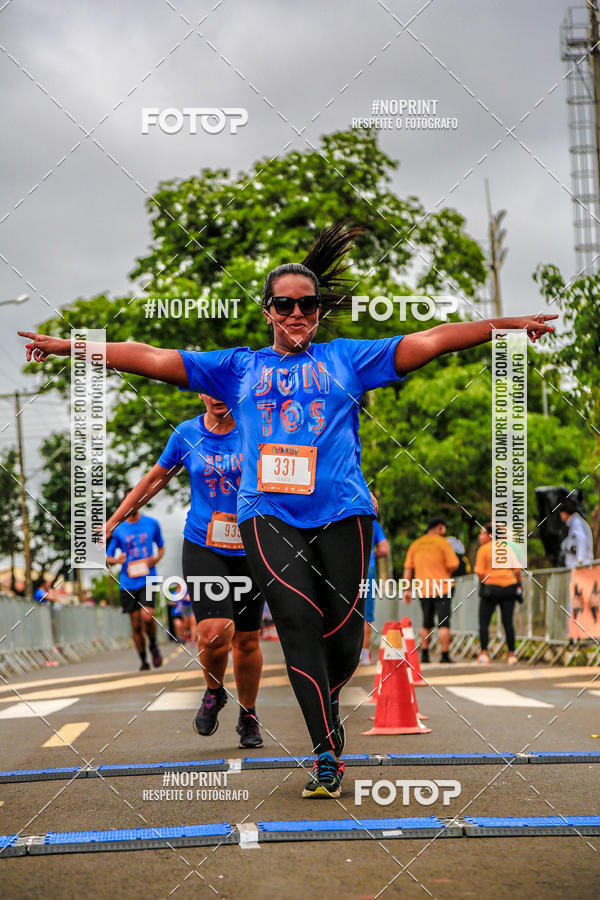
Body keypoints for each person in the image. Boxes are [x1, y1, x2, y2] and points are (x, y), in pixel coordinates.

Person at [19, 222, 556, 797]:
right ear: (269, 311)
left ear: (319, 311)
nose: (297, 313)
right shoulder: (238, 368)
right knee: (298, 623)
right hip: (266, 514)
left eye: (308, 304)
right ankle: (325, 753)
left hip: (343, 512)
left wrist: (504, 326)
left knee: (344, 639)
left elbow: (432, 339)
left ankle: (326, 703)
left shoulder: (348, 359)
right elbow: (149, 356)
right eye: (285, 305)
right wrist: (71, 348)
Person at [104, 394, 265, 749]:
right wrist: (114, 521)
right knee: (214, 633)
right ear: (200, 392)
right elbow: (152, 480)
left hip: (251, 545)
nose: (217, 395)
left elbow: (304, 463)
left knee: (247, 639)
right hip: (204, 545)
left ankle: (249, 715)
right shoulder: (186, 434)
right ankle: (214, 692)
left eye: (222, 387)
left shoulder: (258, 426)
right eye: (208, 388)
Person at [106, 510, 165, 670]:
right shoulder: (119, 529)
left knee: (148, 616)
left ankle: (153, 645)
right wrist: (116, 560)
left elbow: (161, 547)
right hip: (128, 582)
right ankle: (144, 660)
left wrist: (155, 559)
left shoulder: (151, 523)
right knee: (136, 624)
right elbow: (108, 557)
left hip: (148, 578)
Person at [403, 516, 459, 663]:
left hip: (424, 589)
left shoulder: (416, 544)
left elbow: (408, 569)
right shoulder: (444, 543)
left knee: (426, 623)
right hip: (443, 588)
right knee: (444, 623)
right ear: (439, 527)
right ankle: (444, 655)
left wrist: (407, 589)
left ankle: (425, 654)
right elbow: (453, 564)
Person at [474, 523, 522, 665]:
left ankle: (484, 654)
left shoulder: (483, 550)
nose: (480, 536)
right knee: (508, 622)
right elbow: (517, 570)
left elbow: (479, 571)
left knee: (484, 622)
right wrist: (519, 585)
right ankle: (512, 655)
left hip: (491, 588)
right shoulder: (507, 548)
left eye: (482, 533)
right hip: (509, 587)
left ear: (490, 535)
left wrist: (487, 581)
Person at [360, 518, 390, 665]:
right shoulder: (373, 524)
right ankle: (364, 654)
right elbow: (385, 549)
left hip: (346, 567)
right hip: (368, 567)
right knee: (366, 612)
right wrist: (371, 552)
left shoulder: (343, 517)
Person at [559, 499, 594, 569]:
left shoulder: (576, 522)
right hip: (580, 563)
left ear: (564, 513)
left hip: (582, 564)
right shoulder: (574, 522)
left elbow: (582, 539)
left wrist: (580, 560)